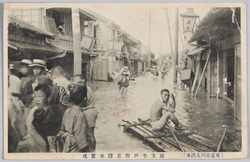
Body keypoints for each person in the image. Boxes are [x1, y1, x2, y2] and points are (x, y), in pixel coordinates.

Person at [17, 84, 63, 152]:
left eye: (40, 96)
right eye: (35, 97)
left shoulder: (50, 110)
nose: (37, 99)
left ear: (48, 97)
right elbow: (29, 128)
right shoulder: (33, 111)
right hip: (36, 142)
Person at [57, 84, 90, 152]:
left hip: (67, 147)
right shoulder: (80, 115)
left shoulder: (67, 111)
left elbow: (62, 130)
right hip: (75, 149)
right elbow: (81, 141)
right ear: (85, 99)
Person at [73, 74, 98, 152]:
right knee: (88, 133)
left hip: (88, 111)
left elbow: (82, 102)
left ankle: (92, 151)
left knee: (90, 133)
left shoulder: (84, 89)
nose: (75, 84)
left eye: (77, 82)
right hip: (90, 111)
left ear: (82, 82)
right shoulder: (85, 88)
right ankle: (91, 150)